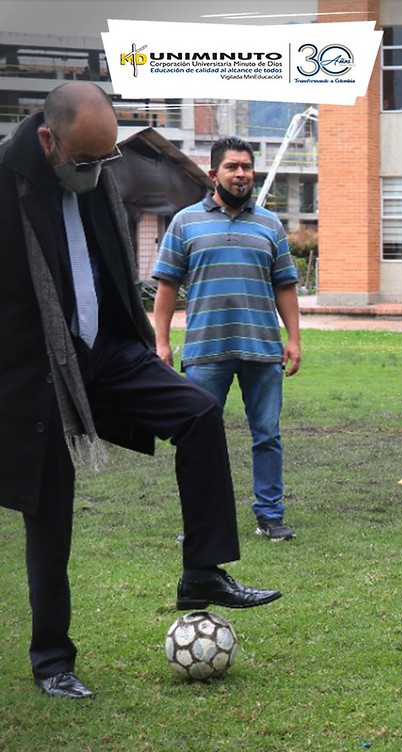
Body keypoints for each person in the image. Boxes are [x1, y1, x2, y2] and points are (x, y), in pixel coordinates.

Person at [0, 83, 282, 701]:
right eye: (84, 162)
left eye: (105, 161)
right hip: (41, 370)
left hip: (110, 353)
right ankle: (52, 661)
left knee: (200, 411)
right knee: (50, 522)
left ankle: (201, 573)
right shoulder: (6, 183)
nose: (97, 173)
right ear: (48, 142)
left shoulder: (97, 172)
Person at [152, 136, 301, 543]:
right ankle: (201, 522)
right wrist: (161, 342)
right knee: (198, 439)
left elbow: (285, 286)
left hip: (262, 349)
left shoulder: (270, 225)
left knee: (267, 435)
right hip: (205, 351)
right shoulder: (185, 223)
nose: (241, 174)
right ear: (214, 173)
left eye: (247, 167)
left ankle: (270, 516)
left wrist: (294, 339)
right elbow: (167, 286)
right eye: (233, 167)